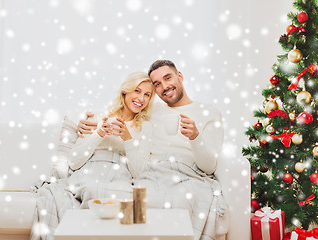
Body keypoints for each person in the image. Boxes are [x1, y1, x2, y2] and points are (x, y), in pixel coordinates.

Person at [78, 60, 227, 240]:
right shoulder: (150, 108)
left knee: (183, 198)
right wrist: (87, 123)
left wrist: (195, 137)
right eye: (157, 84)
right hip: (152, 172)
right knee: (132, 202)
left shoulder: (209, 112)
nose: (164, 86)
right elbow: (122, 110)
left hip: (188, 173)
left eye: (168, 78)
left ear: (179, 76)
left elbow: (210, 167)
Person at [68, 71, 155, 207]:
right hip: (92, 171)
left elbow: (140, 173)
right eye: (137, 91)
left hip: (121, 176)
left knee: (132, 196)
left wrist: (127, 138)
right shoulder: (98, 117)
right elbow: (73, 162)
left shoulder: (146, 127)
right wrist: (99, 133)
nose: (141, 98)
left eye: (147, 95)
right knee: (92, 188)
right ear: (125, 91)